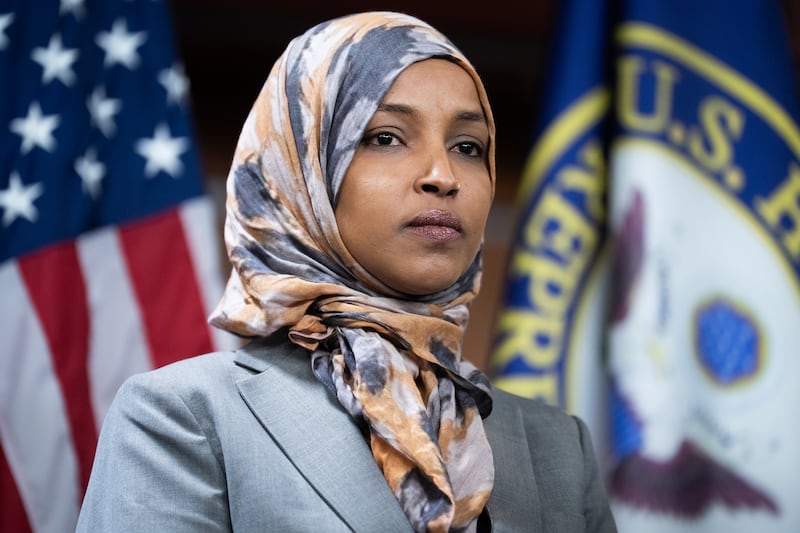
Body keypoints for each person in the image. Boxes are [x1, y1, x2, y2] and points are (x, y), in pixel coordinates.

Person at [76, 11, 616, 533]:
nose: (442, 175)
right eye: (385, 137)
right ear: (300, 170)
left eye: (468, 147)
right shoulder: (184, 417)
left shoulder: (559, 447)